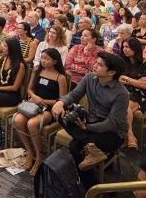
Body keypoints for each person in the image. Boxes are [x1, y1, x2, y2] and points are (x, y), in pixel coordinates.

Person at [52, 52, 129, 192]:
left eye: (100, 65)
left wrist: (85, 127)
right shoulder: (89, 78)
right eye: (96, 62)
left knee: (75, 146)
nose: (94, 65)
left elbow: (112, 124)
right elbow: (74, 95)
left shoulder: (122, 94)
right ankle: (91, 148)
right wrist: (60, 102)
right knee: (61, 113)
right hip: (91, 121)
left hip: (114, 133)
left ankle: (92, 188)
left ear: (111, 72)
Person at [14, 48, 68, 176]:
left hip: (50, 107)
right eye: (42, 58)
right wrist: (35, 97)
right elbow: (29, 89)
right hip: (34, 103)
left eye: (47, 59)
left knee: (32, 124)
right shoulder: (37, 71)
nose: (43, 61)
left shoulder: (60, 77)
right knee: (17, 120)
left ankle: (39, 156)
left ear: (55, 61)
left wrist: (41, 101)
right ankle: (29, 151)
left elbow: (62, 100)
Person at [119, 37, 146, 150]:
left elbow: (143, 85)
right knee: (119, 105)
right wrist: (134, 81)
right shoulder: (122, 61)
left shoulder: (144, 64)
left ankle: (128, 137)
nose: (125, 50)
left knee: (121, 107)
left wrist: (125, 78)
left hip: (139, 94)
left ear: (135, 48)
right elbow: (117, 78)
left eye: (128, 47)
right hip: (122, 91)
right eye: (123, 47)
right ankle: (129, 136)